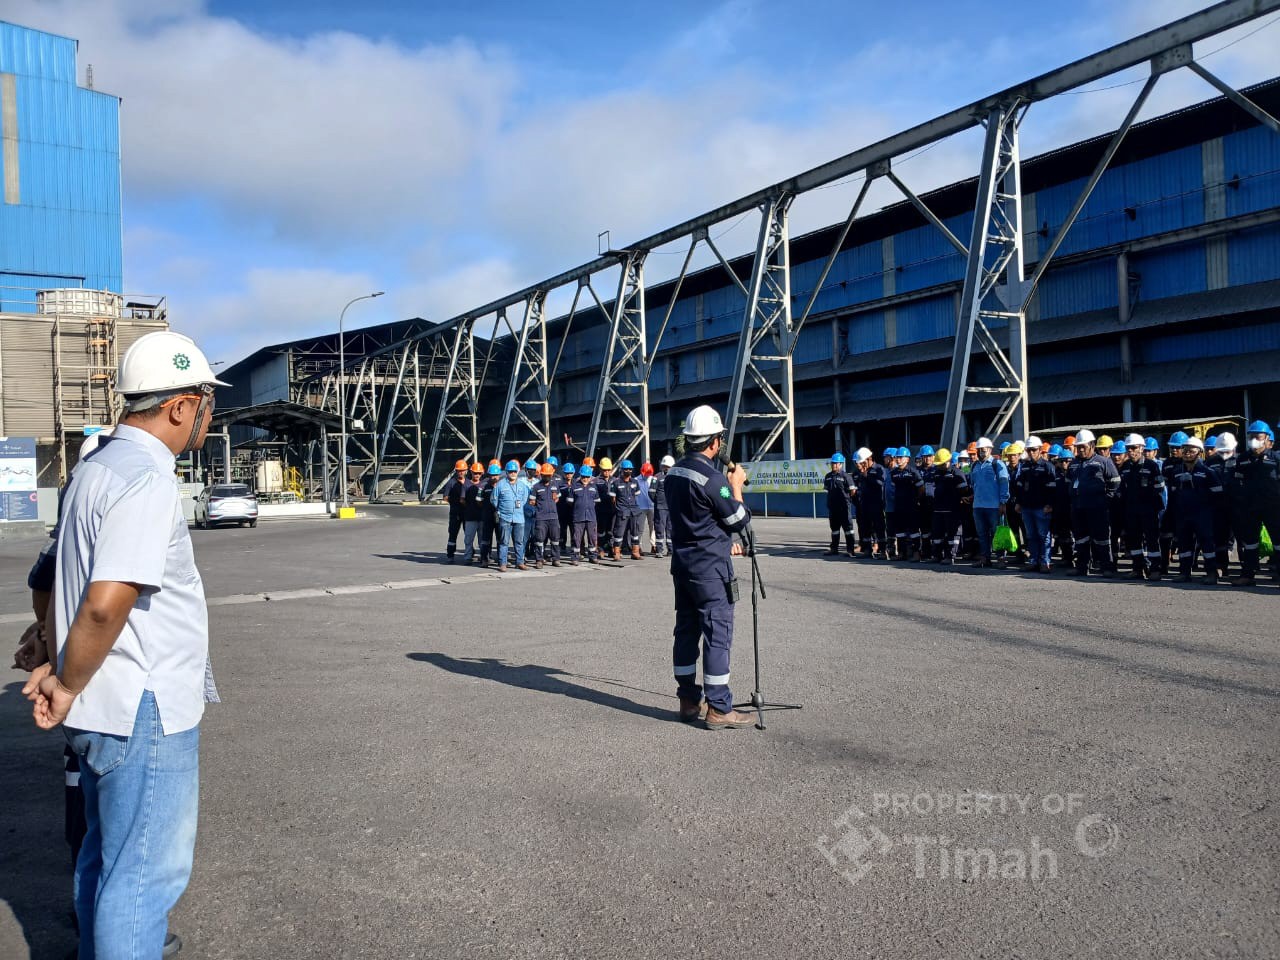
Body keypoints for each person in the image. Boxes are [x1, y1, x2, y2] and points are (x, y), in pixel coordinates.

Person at [22, 330, 225, 960]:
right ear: (179, 406)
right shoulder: (146, 478)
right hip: (142, 705)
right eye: (206, 404)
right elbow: (106, 600)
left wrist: (61, 665)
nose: (207, 418)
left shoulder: (95, 467)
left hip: (101, 706)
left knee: (102, 859)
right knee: (142, 879)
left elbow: (58, 576)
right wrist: (64, 682)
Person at [665, 405, 754, 730]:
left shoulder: (674, 473)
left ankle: (688, 700)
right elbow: (739, 519)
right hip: (710, 569)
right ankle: (718, 707)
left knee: (686, 632)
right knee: (717, 634)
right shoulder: (713, 479)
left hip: (683, 565)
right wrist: (737, 486)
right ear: (715, 442)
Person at [1227, 421, 1280, 587]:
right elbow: (1234, 483)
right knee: (1249, 543)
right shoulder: (1242, 460)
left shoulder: (1276, 459)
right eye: (1251, 437)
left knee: (1278, 542)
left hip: (1274, 507)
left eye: (1258, 437)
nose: (1254, 440)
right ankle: (1248, 575)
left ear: (1267, 439)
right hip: (1249, 508)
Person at [1066, 429, 1121, 577]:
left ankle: (1106, 568)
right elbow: (1068, 483)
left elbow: (1115, 482)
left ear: (1092, 445)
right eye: (1078, 447)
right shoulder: (1073, 464)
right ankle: (1082, 567)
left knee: (1102, 539)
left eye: (1083, 446)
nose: (1081, 449)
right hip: (1078, 508)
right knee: (1081, 539)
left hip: (1098, 508)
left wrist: (1106, 499)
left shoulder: (1103, 462)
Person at [1169, 436, 1221, 584]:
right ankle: (1184, 573)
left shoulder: (1207, 472)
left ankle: (1211, 573)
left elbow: (1218, 496)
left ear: (1200, 453)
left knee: (1207, 544)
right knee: (1184, 545)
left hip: (1202, 515)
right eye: (1184, 450)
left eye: (1191, 451)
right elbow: (1172, 494)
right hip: (1183, 515)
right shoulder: (1176, 472)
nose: (1187, 454)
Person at [1119, 433, 1165, 581]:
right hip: (1131, 510)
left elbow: (1160, 488)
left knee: (1152, 540)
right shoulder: (1125, 467)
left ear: (1141, 448)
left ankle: (1155, 569)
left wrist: (1152, 504)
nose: (1131, 451)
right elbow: (1122, 489)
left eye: (1133, 448)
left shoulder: (1151, 466)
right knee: (1134, 540)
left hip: (1149, 510)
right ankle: (1138, 568)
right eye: (1128, 448)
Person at [1012, 436, 1056, 573]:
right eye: (1029, 450)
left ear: (1040, 450)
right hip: (1027, 507)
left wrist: (1050, 504)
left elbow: (1053, 488)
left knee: (1043, 535)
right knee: (1031, 535)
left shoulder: (1047, 467)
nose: (1031, 452)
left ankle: (1045, 561)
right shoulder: (1025, 467)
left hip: (1042, 507)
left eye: (1034, 450)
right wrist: (1019, 502)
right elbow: (1019, 486)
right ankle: (1033, 561)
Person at [967, 437, 1009, 568]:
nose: (981, 453)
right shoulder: (974, 465)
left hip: (994, 506)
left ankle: (1001, 558)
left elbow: (1004, 483)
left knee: (997, 533)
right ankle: (985, 558)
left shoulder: (997, 464)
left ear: (990, 450)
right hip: (978, 506)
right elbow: (974, 484)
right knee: (982, 534)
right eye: (979, 450)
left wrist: (1003, 502)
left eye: (983, 450)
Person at [929, 448, 968, 564]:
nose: (939, 466)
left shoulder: (956, 473)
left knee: (952, 534)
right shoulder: (936, 473)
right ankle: (937, 555)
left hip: (952, 509)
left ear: (948, 461)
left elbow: (964, 490)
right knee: (937, 534)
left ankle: (950, 556)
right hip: (938, 509)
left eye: (941, 464)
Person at [494, 460, 531, 572]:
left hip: (519, 518)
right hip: (505, 517)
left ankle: (520, 562)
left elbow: (525, 499)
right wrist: (502, 510)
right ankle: (503, 563)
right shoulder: (500, 485)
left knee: (519, 542)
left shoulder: (522, 486)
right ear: (506, 472)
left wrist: (517, 509)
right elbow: (494, 499)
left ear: (518, 471)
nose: (513, 473)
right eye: (510, 471)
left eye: (514, 471)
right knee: (504, 542)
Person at [890, 447, 924, 561]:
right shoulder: (893, 473)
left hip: (911, 506)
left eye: (901, 457)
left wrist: (916, 500)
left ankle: (916, 553)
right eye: (897, 457)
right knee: (899, 531)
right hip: (899, 506)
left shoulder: (913, 472)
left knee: (914, 531)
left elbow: (921, 488)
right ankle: (901, 553)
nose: (898, 459)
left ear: (907, 459)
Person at [852, 447, 887, 558]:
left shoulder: (878, 469)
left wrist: (867, 476)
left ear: (869, 458)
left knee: (879, 528)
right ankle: (867, 549)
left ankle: (882, 550)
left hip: (876, 503)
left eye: (863, 462)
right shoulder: (859, 472)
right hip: (864, 504)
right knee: (865, 527)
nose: (861, 465)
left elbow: (881, 483)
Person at [822, 453, 855, 557]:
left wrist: (846, 500)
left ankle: (850, 550)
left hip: (844, 508)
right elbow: (827, 490)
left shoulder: (846, 476)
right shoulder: (828, 476)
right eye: (833, 463)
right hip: (833, 508)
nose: (834, 465)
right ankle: (834, 549)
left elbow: (852, 491)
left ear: (841, 464)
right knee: (834, 530)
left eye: (836, 464)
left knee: (848, 530)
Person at [529, 463, 561, 568]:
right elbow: (532, 501)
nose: (547, 477)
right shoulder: (536, 487)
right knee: (539, 540)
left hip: (553, 517)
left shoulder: (555, 485)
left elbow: (557, 498)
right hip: (541, 518)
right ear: (541, 475)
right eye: (545, 475)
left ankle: (555, 559)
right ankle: (539, 560)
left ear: (552, 475)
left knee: (555, 540)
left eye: (549, 475)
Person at [609, 460, 643, 560]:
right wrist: (618, 509)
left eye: (630, 469)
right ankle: (617, 553)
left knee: (635, 533)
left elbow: (636, 495)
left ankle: (635, 552)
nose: (628, 471)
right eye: (626, 469)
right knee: (619, 533)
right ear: (621, 470)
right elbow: (613, 499)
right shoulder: (615, 483)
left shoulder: (635, 482)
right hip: (622, 511)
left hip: (633, 511)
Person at [567, 466, 601, 564]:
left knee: (592, 538)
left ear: (590, 477)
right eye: (583, 476)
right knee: (576, 538)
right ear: (580, 476)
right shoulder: (574, 486)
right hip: (578, 517)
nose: (585, 479)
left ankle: (593, 556)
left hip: (591, 517)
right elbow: (570, 502)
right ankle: (574, 557)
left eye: (587, 476)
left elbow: (596, 501)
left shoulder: (593, 487)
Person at [443, 459, 470, 562]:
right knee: (453, 534)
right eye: (459, 470)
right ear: (456, 471)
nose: (461, 472)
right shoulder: (451, 482)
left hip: (466, 513)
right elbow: (445, 497)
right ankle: (450, 555)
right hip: (455, 513)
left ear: (466, 471)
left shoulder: (468, 482)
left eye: (463, 470)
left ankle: (468, 554)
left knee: (468, 535)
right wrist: (454, 502)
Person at [459, 462, 486, 564]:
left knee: (482, 540)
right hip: (470, 517)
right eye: (475, 473)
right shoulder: (466, 484)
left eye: (479, 473)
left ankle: (483, 557)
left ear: (482, 473)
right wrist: (470, 506)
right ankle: (468, 557)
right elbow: (462, 499)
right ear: (471, 472)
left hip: (482, 517)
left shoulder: (484, 484)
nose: (477, 475)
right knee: (469, 539)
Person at [478, 464, 501, 568]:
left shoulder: (503, 485)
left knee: (501, 539)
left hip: (500, 516)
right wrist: (486, 509)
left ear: (499, 475)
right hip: (487, 517)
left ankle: (501, 560)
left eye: (496, 475)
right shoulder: (483, 486)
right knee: (486, 539)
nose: (494, 477)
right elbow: (478, 501)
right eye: (492, 475)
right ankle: (484, 559)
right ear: (489, 475)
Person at [652, 456, 674, 558]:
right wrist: (657, 502)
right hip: (660, 507)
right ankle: (659, 550)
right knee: (659, 528)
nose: (666, 468)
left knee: (670, 529)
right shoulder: (656, 477)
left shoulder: (675, 477)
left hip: (671, 507)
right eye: (665, 466)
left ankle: (671, 549)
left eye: (668, 466)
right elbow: (651, 492)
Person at [637, 462, 656, 555]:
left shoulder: (653, 479)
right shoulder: (636, 480)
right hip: (641, 507)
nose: (647, 476)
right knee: (639, 528)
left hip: (652, 506)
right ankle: (638, 546)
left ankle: (654, 545)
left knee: (653, 527)